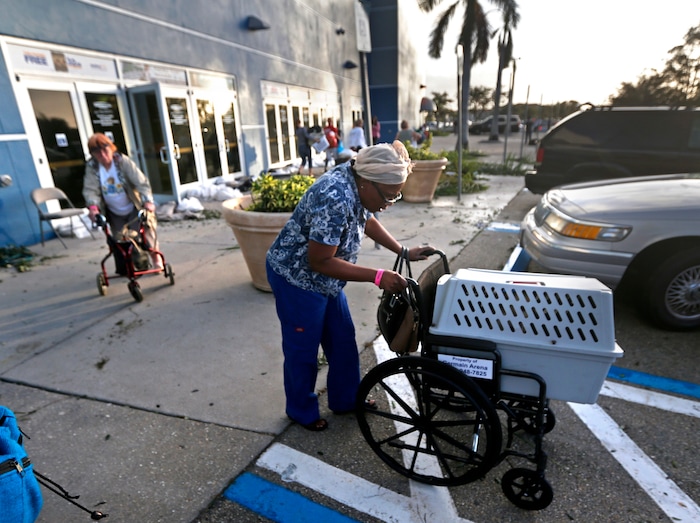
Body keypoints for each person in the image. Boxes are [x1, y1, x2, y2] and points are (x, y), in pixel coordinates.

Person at [266, 141, 434, 431]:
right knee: (303, 350)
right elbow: (319, 261)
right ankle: (300, 409)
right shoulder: (334, 195)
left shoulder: (359, 179)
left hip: (327, 278)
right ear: (368, 183)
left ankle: (345, 399)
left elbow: (366, 219)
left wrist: (402, 250)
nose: (390, 203)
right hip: (297, 278)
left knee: (342, 340)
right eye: (389, 196)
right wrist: (377, 276)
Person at [83, 133, 162, 269]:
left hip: (133, 207)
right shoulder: (92, 167)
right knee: (121, 240)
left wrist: (147, 201)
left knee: (146, 235)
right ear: (93, 154)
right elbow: (91, 189)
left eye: (105, 149)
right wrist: (93, 207)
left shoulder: (122, 162)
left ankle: (156, 259)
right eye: (97, 152)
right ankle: (131, 265)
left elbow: (141, 183)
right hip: (113, 212)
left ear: (111, 148)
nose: (102, 154)